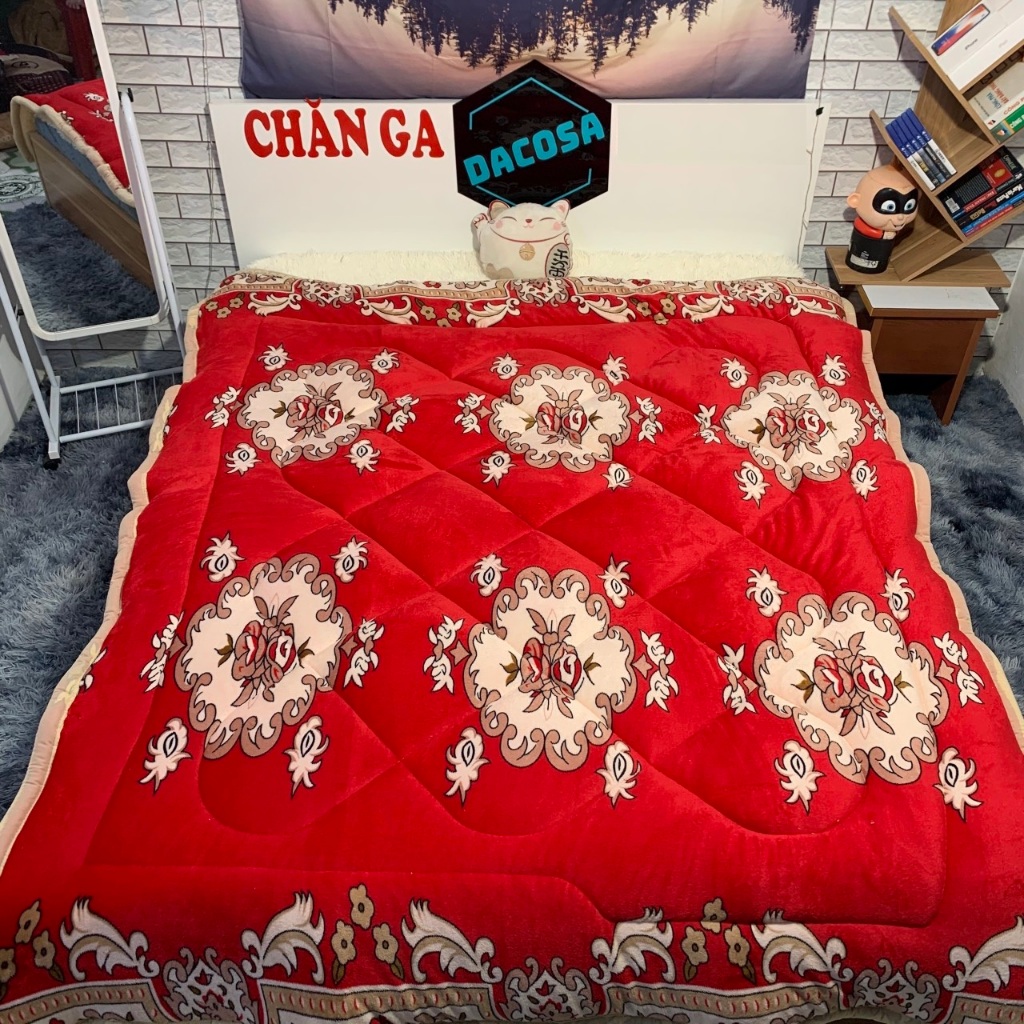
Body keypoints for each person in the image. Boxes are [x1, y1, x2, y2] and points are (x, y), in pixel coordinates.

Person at [845, 163, 919, 273]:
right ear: (855, 201)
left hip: (881, 254)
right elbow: (862, 229)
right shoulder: (861, 223)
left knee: (879, 260)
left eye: (909, 206)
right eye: (889, 207)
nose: (900, 217)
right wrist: (882, 235)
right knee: (861, 259)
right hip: (863, 250)